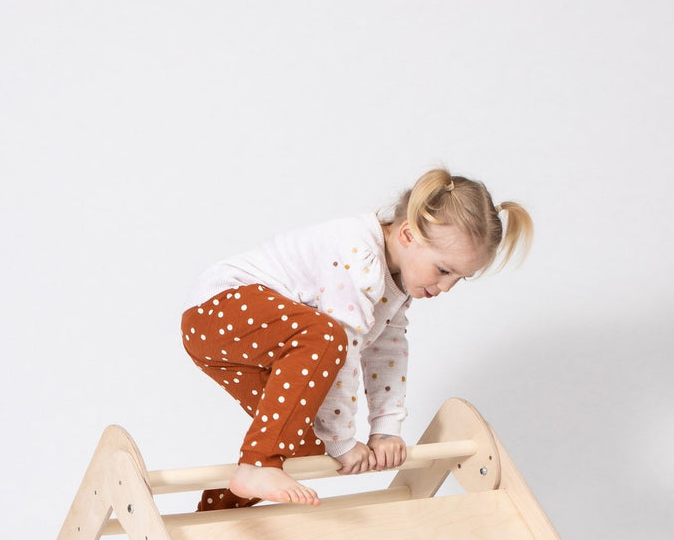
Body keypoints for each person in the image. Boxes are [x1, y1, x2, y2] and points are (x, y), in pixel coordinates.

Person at [181, 168, 532, 511]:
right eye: (443, 270)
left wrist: (385, 430)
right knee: (326, 337)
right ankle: (256, 465)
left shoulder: (394, 285)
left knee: (303, 443)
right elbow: (342, 346)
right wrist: (344, 442)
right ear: (408, 235)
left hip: (249, 341)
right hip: (219, 310)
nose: (446, 287)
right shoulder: (357, 254)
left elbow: (386, 353)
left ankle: (219, 515)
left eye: (460, 278)